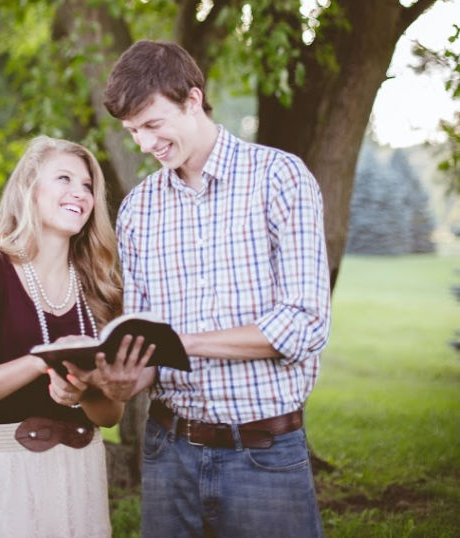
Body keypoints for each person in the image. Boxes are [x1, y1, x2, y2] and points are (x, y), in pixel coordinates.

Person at [96, 40, 332, 537]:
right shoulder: (139, 209)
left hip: (263, 456)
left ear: (192, 99)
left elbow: (305, 323)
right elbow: (148, 352)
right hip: (167, 453)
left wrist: (184, 342)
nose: (144, 144)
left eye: (153, 124)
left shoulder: (279, 178)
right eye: (132, 131)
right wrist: (121, 380)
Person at [0, 136, 152, 537]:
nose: (80, 193)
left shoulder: (101, 285)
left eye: (88, 185)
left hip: (81, 472)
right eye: (64, 179)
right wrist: (42, 360)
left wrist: (86, 389)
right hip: (7, 471)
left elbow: (110, 416)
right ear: (30, 190)